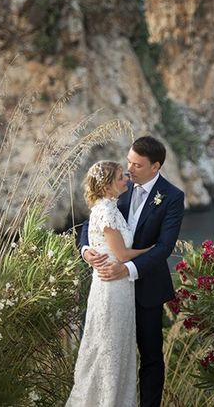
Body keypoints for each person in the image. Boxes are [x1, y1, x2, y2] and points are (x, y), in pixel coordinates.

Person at [79, 136, 185, 407]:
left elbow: (163, 247)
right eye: (128, 163)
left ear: (155, 166)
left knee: (150, 358)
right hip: (111, 292)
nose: (129, 170)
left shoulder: (173, 197)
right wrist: (86, 250)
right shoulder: (119, 186)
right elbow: (90, 221)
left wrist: (126, 269)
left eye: (137, 165)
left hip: (146, 288)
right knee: (109, 354)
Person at [67, 160, 149, 406]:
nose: (127, 177)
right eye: (121, 176)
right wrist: (152, 249)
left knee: (111, 347)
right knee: (110, 349)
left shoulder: (105, 206)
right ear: (108, 185)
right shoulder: (108, 210)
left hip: (115, 287)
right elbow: (122, 255)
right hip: (112, 288)